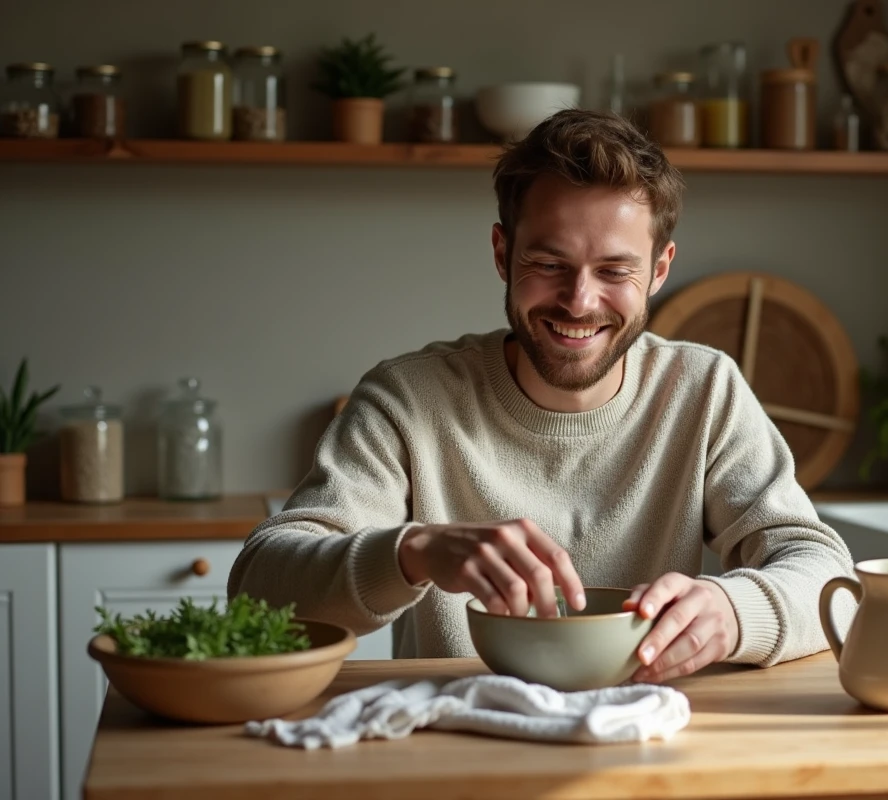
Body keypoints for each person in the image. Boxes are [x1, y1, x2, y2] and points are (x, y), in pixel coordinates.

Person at [228, 109, 854, 683]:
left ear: (659, 270)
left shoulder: (704, 390)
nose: (579, 302)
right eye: (549, 264)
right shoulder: (407, 399)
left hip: (653, 738)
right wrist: (412, 551)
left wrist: (734, 609)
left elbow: (825, 569)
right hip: (462, 741)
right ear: (504, 253)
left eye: (615, 271)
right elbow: (257, 587)